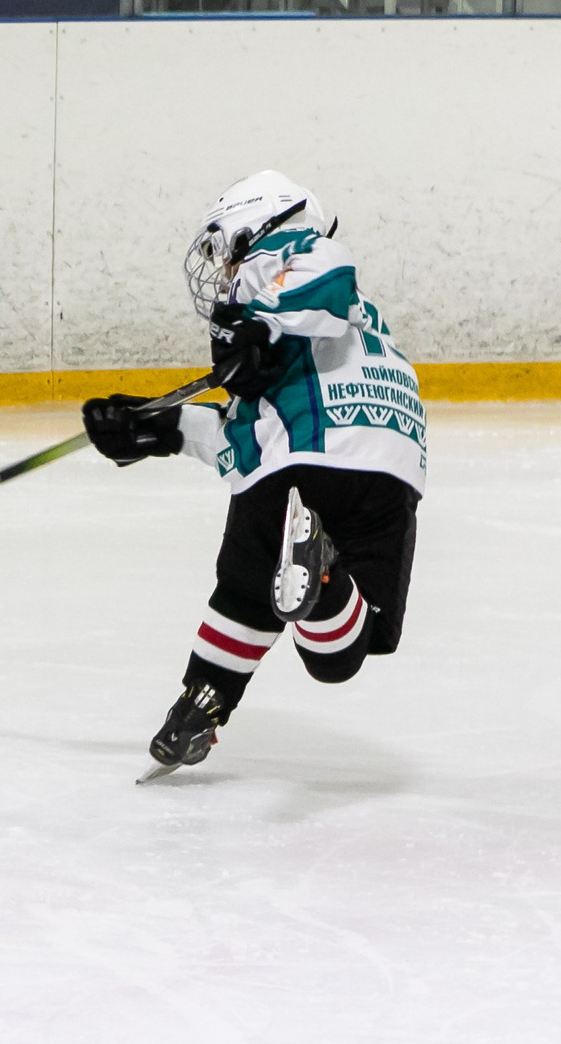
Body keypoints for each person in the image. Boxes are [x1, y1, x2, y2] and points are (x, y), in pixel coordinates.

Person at [82, 170, 427, 777]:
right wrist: (158, 427)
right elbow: (246, 433)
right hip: (385, 468)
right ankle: (205, 704)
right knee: (343, 651)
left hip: (294, 468)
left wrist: (258, 323)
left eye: (223, 247)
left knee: (246, 591)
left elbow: (330, 273)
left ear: (257, 223)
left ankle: (221, 678)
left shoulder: (286, 257)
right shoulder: (347, 334)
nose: (221, 270)